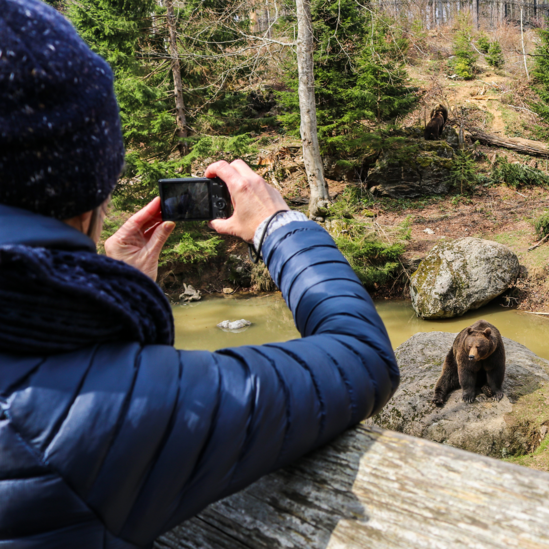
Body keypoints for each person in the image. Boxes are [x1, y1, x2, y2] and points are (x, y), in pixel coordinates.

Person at [0, 1, 399, 547]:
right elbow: (361, 356)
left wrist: (96, 290)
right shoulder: (96, 408)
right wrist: (277, 227)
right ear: (88, 199)